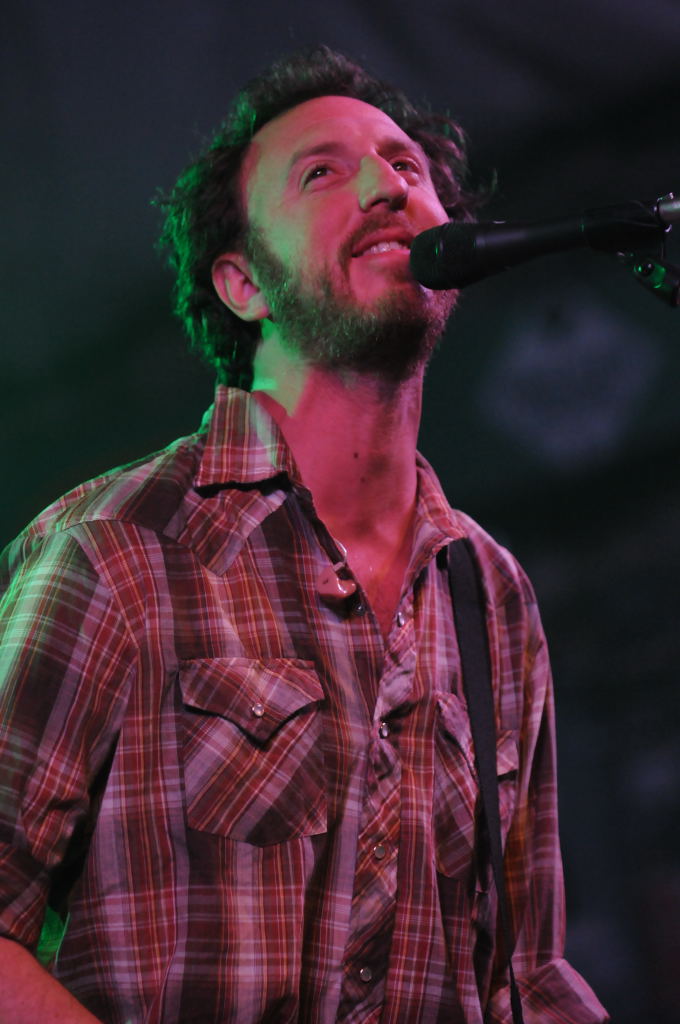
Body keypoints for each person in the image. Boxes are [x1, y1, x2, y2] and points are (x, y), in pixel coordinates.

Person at [0, 45, 608, 1023]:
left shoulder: (488, 591)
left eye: (406, 166)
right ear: (243, 283)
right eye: (322, 172)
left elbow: (523, 978)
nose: (385, 187)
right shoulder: (117, 548)